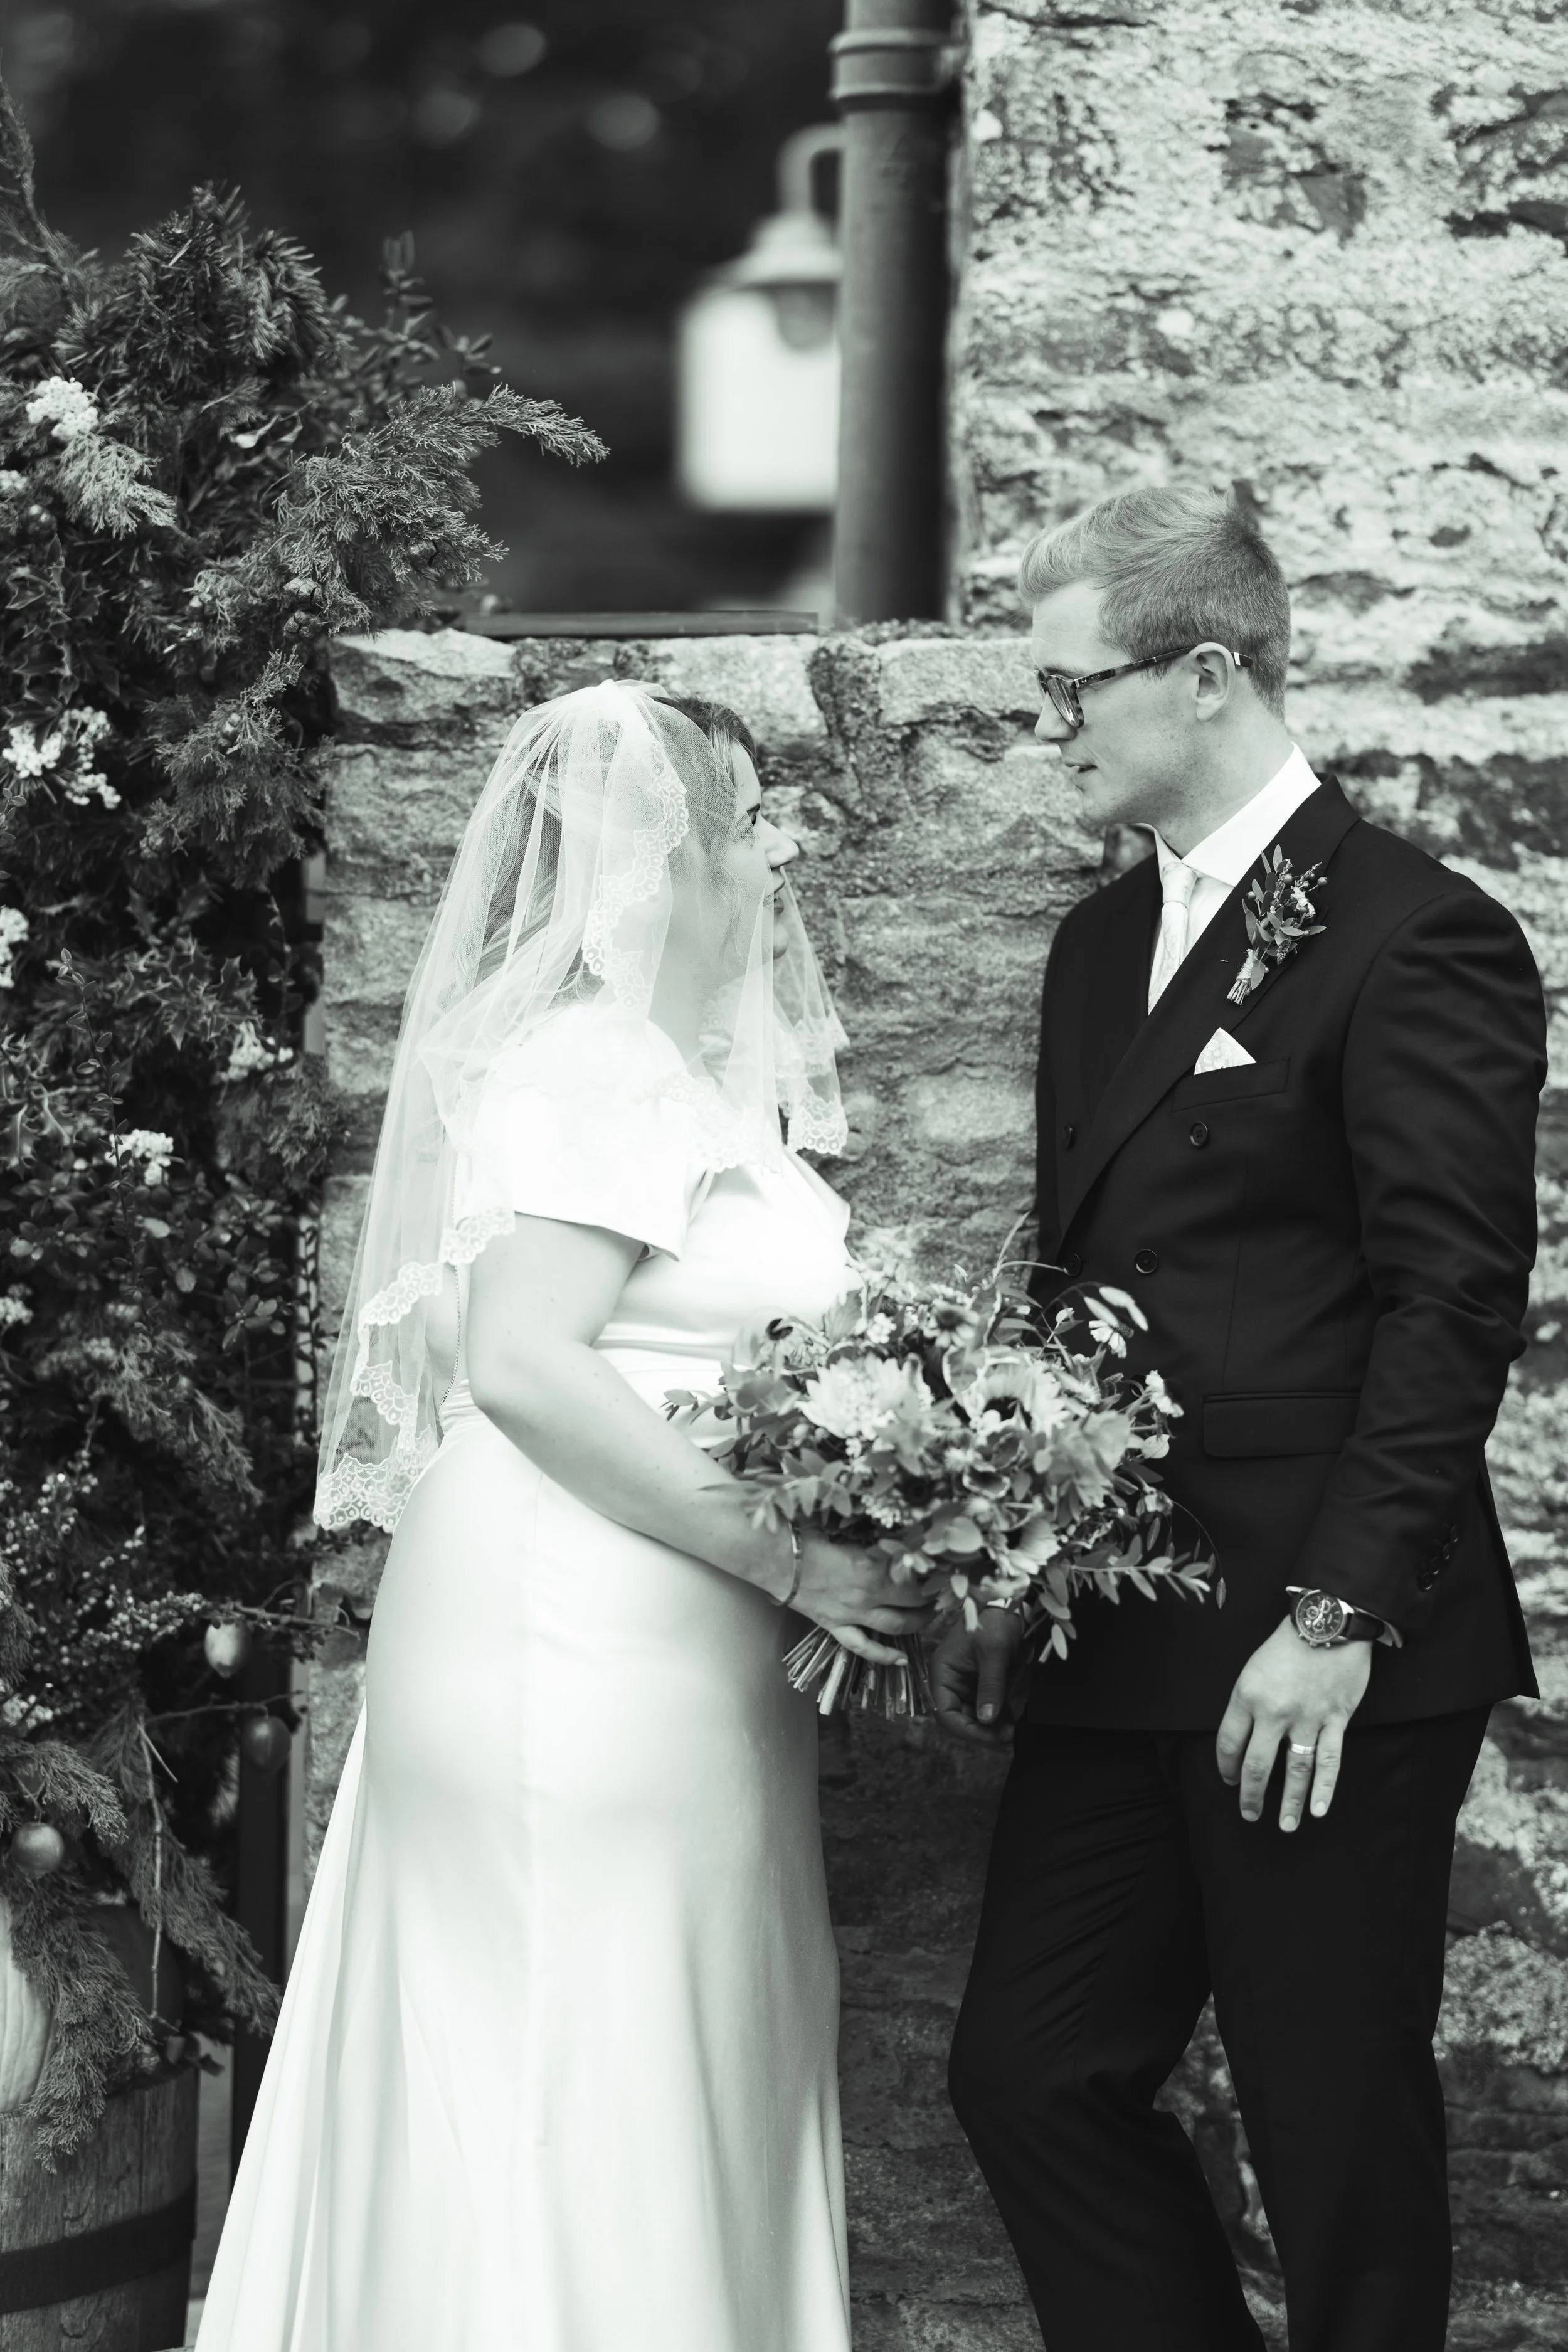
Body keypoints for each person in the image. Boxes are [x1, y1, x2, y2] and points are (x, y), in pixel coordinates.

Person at [197, 682, 927, 2352]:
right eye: (749, 828)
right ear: (654, 854)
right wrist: (795, 1553)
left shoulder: (680, 1080)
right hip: (572, 1650)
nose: (775, 863)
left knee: (664, 2031)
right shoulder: (597, 1064)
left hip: (663, 1656)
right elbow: (525, 1361)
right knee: (573, 2051)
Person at [934, 484, 1545, 2352]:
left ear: (1205, 674)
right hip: (1119, 1633)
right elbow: (1075, 1306)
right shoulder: (1086, 955)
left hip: (1316, 1645)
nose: (1053, 730)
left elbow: (1447, 1303)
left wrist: (1336, 1614)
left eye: (1071, 690)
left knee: (1330, 2120)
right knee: (1028, 2071)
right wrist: (1009, 1567)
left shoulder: (1416, 933)